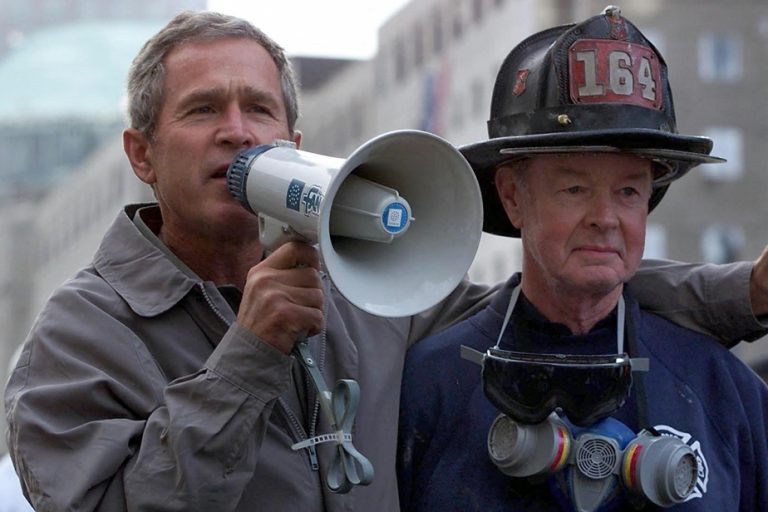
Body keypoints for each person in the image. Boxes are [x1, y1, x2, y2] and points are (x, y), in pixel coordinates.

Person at [3, 9, 767, 512]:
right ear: (140, 153)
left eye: (260, 109)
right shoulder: (80, 339)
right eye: (203, 110)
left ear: (293, 148)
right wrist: (247, 360)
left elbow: (554, 290)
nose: (238, 133)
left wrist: (748, 293)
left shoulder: (364, 285)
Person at [397, 6, 768, 512]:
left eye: (629, 191)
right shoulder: (426, 388)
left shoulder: (725, 392)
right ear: (511, 196)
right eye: (574, 188)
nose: (606, 217)